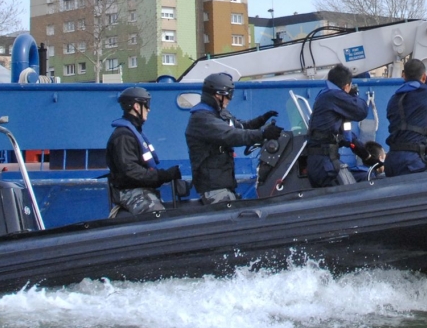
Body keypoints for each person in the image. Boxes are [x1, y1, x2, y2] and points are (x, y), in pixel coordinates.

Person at [186, 72, 283, 204]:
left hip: (224, 182)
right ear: (217, 95)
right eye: (228, 96)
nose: (229, 100)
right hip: (214, 186)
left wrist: (261, 120)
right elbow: (230, 135)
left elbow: (240, 127)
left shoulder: (219, 113)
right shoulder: (202, 118)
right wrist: (262, 134)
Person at [105, 86, 181, 217]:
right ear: (136, 106)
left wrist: (164, 175)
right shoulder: (124, 136)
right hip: (129, 191)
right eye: (146, 105)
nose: (149, 109)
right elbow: (130, 170)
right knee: (156, 214)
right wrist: (161, 176)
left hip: (140, 188)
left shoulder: (133, 132)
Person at [305, 64, 369, 187]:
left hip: (320, 162)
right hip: (324, 164)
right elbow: (362, 111)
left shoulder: (325, 95)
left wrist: (365, 154)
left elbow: (345, 136)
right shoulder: (334, 95)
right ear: (346, 87)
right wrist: (353, 95)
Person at [384, 58, 427, 177]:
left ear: (403, 75)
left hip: (391, 159)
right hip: (411, 161)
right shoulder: (426, 93)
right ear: (424, 77)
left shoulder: (393, 100)